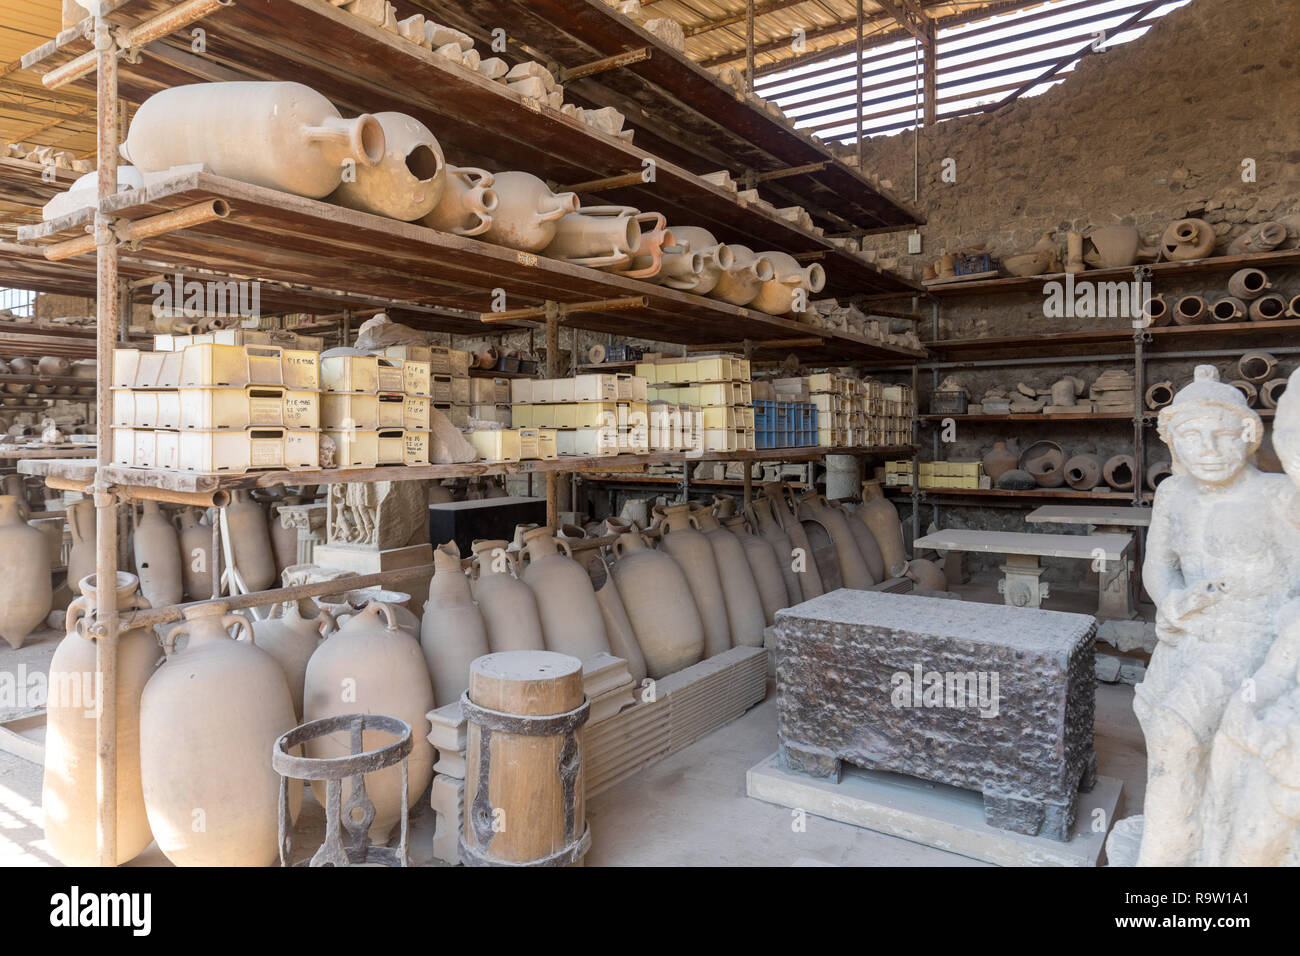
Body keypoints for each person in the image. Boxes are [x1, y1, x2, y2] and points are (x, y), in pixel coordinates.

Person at [1135, 365, 1297, 865]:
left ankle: (1173, 857)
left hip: (1258, 640)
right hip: (1188, 635)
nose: (1207, 448)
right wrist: (1171, 599)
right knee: (1170, 738)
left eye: (1222, 434)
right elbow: (1157, 567)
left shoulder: (1277, 496)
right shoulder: (1172, 495)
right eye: (1190, 437)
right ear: (1172, 444)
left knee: (1179, 733)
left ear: (1249, 436)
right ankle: (1178, 849)